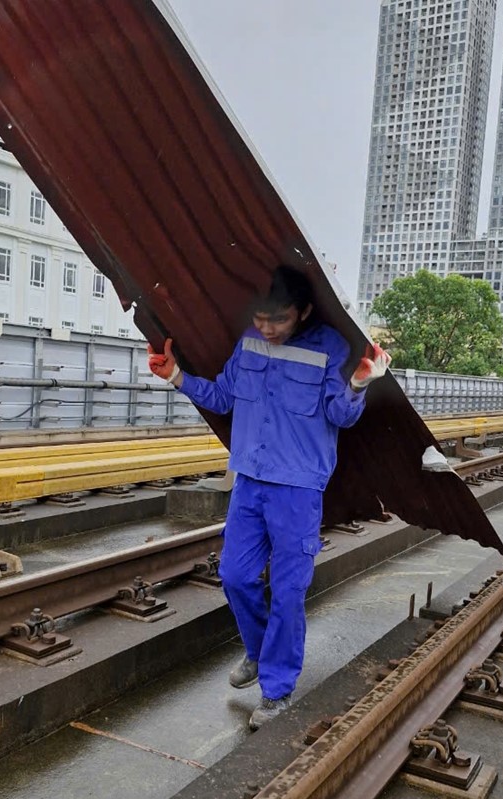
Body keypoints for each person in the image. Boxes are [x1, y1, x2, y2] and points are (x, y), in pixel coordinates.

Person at [148, 266, 390, 729]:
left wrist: (359, 381)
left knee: (287, 591)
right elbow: (222, 397)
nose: (267, 329)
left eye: (277, 320)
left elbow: (340, 413)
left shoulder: (330, 349)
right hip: (251, 482)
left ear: (302, 312)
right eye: (260, 320)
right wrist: (176, 375)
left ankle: (277, 691)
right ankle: (259, 654)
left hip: (298, 489)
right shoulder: (250, 342)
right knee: (235, 576)